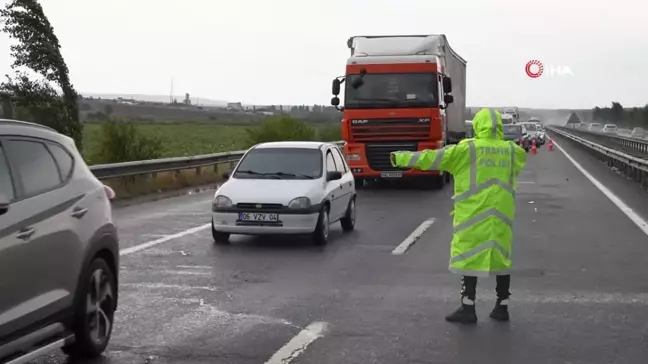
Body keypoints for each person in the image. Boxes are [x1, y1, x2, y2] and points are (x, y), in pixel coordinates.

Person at [390, 108, 527, 324]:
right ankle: (502, 306)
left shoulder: (467, 150)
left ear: (477, 126)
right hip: (501, 213)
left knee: (468, 257)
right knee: (501, 257)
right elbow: (521, 158)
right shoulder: (512, 151)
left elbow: (432, 158)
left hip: (473, 213)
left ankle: (468, 307)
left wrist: (401, 158)